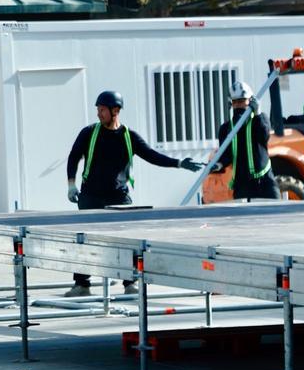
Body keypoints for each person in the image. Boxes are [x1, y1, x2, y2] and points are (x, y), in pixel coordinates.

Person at [64, 90, 204, 296]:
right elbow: (73, 157)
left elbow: (151, 155)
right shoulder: (89, 133)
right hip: (90, 195)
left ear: (115, 111)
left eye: (102, 110)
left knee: (126, 240)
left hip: (118, 196)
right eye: (98, 110)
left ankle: (130, 283)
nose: (98, 114)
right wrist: (71, 184)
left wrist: (179, 163)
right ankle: (82, 285)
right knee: (84, 239)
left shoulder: (129, 137)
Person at [210, 80, 280, 200]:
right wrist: (218, 164)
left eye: (242, 101)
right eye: (235, 102)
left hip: (264, 182)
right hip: (241, 185)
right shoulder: (226, 128)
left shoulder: (260, 119)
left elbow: (264, 137)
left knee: (276, 215)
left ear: (250, 101)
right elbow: (227, 154)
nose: (238, 105)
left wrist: (257, 113)